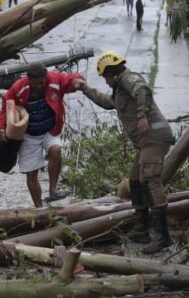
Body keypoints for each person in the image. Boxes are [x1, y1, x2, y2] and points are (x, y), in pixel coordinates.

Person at [74, 51, 176, 254]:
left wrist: (142, 116)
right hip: (145, 143)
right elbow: (107, 102)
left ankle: (163, 237)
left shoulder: (129, 78)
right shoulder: (120, 90)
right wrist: (84, 88)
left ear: (111, 73)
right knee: (135, 181)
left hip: (153, 139)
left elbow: (143, 91)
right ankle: (141, 229)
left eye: (105, 77)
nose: (105, 81)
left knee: (150, 181)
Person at [0, 62, 82, 207]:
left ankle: (53, 189)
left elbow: (68, 80)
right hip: (28, 134)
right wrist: (2, 129)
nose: (39, 86)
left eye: (42, 82)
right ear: (28, 79)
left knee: (56, 150)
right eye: (35, 83)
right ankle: (39, 208)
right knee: (31, 174)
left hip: (50, 129)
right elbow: (6, 106)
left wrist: (77, 80)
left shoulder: (54, 79)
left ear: (46, 76)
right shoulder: (18, 87)